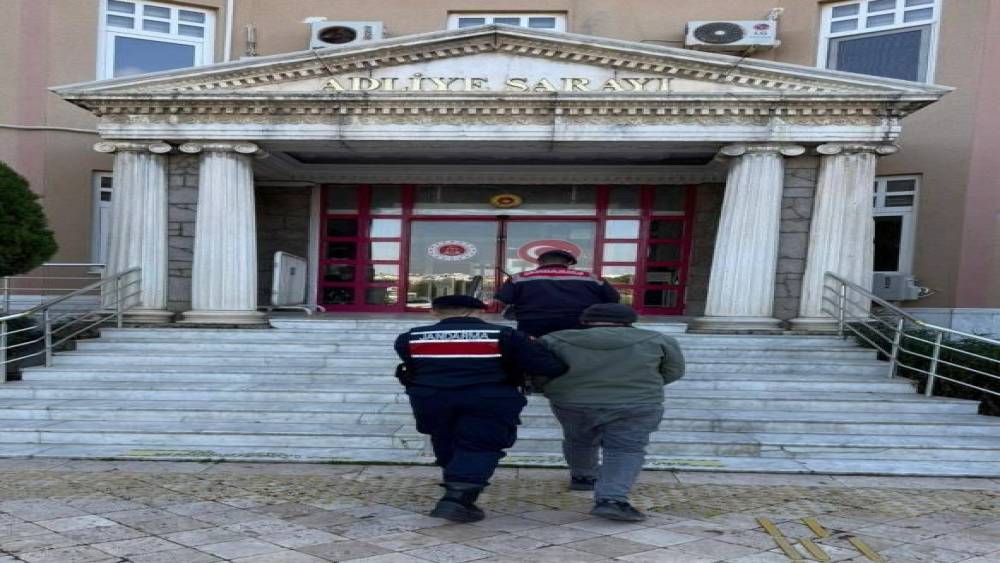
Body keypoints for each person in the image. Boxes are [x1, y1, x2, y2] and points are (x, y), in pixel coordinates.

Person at [394, 295, 567, 523]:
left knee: (444, 440)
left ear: (434, 312)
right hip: (488, 398)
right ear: (479, 312)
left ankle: (456, 485)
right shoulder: (504, 335)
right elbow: (549, 366)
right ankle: (456, 499)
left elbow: (412, 367)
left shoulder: (410, 338)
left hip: (431, 399)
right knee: (480, 445)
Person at [535, 303, 685, 522]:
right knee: (625, 449)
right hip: (636, 403)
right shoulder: (658, 339)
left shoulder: (554, 339)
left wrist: (552, 389)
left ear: (585, 320)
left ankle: (583, 477)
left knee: (578, 439)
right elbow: (674, 371)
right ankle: (612, 500)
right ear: (630, 321)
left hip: (572, 401)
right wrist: (645, 386)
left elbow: (539, 370)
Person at [495, 249, 620, 337]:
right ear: (568, 263)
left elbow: (501, 301)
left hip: (532, 326)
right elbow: (613, 299)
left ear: (540, 262)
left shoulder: (519, 278)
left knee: (533, 355)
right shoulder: (591, 278)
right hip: (577, 326)